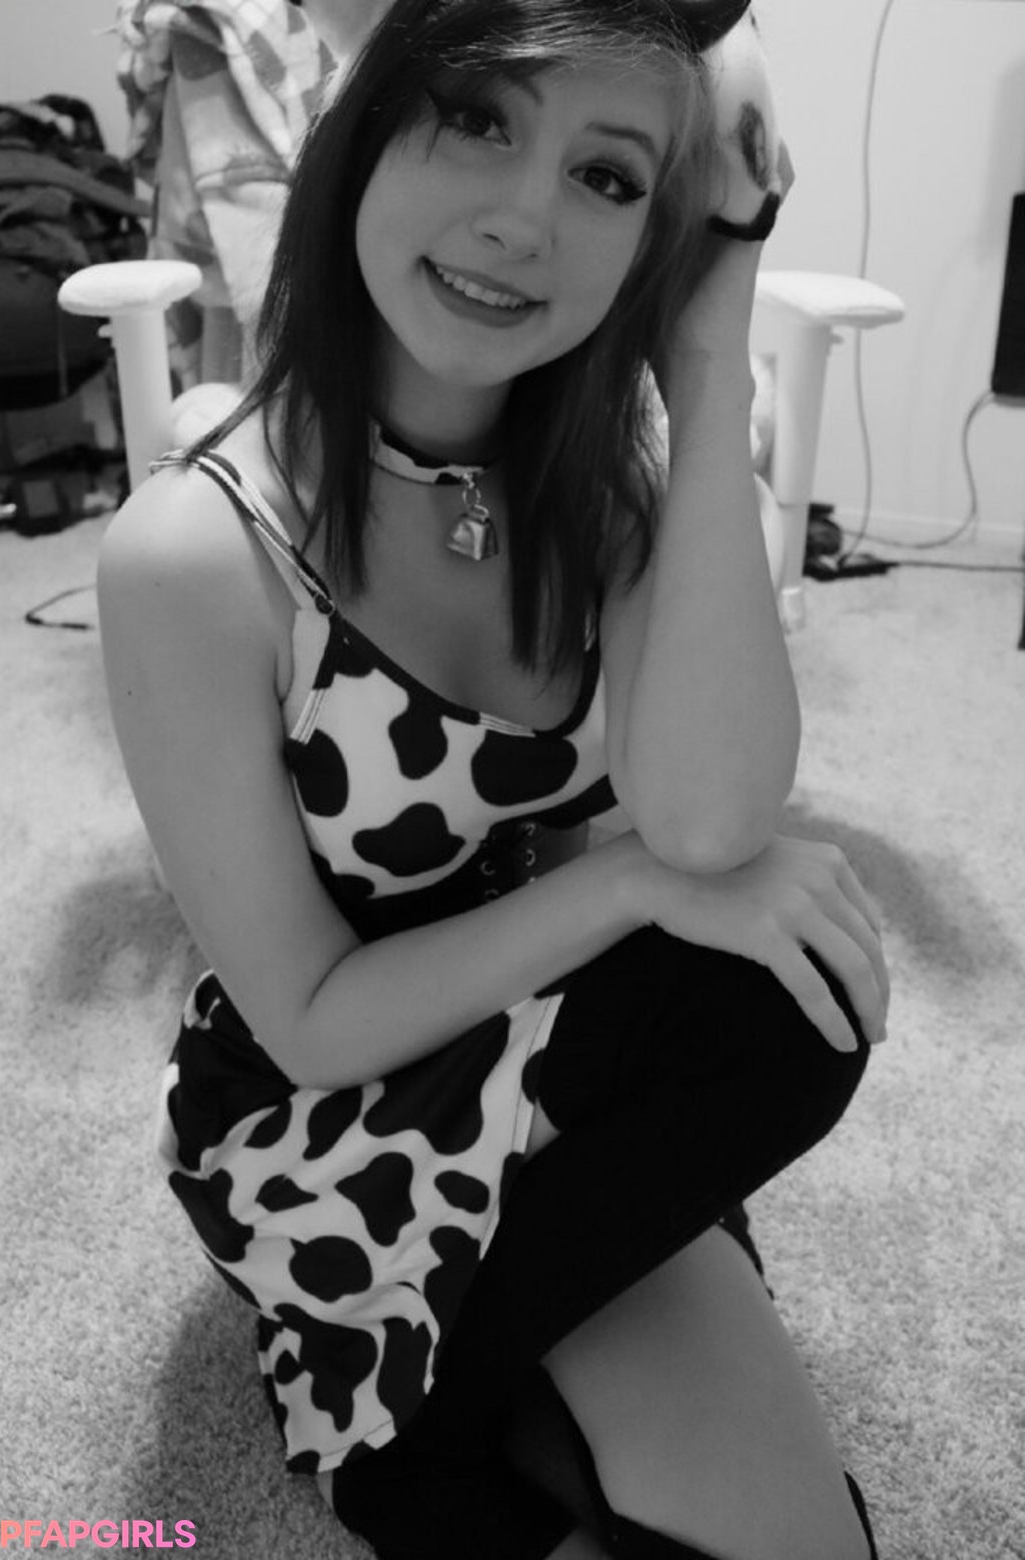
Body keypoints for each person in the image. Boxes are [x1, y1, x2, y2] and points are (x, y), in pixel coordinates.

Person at [96, 1, 891, 1556]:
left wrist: (708, 351)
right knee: (748, 993)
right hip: (326, 1110)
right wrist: (632, 884)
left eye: (607, 177)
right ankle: (406, 1408)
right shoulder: (194, 553)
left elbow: (712, 821)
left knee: (787, 993)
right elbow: (311, 1016)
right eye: (478, 116)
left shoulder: (605, 489)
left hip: (547, 1061)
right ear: (367, 131)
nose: (525, 220)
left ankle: (468, 1355)